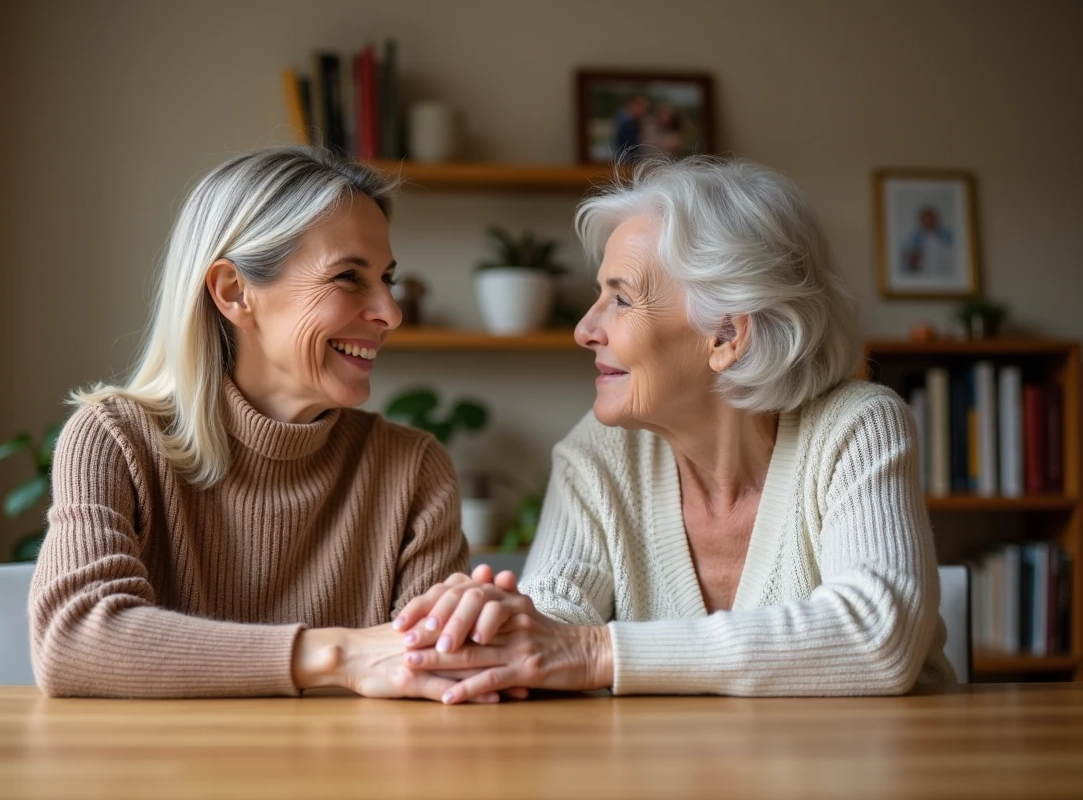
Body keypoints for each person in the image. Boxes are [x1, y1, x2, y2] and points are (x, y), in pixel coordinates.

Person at [393, 156, 956, 702]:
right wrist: (497, 621)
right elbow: (554, 624)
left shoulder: (855, 430)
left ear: (726, 336)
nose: (585, 329)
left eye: (620, 298)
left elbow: (878, 636)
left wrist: (598, 654)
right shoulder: (601, 452)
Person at [29, 146, 495, 702]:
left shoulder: (413, 469)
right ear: (234, 292)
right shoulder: (113, 440)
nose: (390, 313)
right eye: (349, 277)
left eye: (388, 279)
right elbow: (73, 639)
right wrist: (339, 655)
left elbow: (434, 672)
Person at [902, 206, 955, 276]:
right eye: (926, 220)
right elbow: (911, 257)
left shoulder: (947, 234)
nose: (929, 222)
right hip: (924, 272)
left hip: (945, 271)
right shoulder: (915, 237)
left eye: (931, 219)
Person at [611, 94, 649, 161]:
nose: (644, 111)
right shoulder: (624, 123)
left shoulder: (636, 123)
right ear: (633, 106)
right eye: (642, 107)